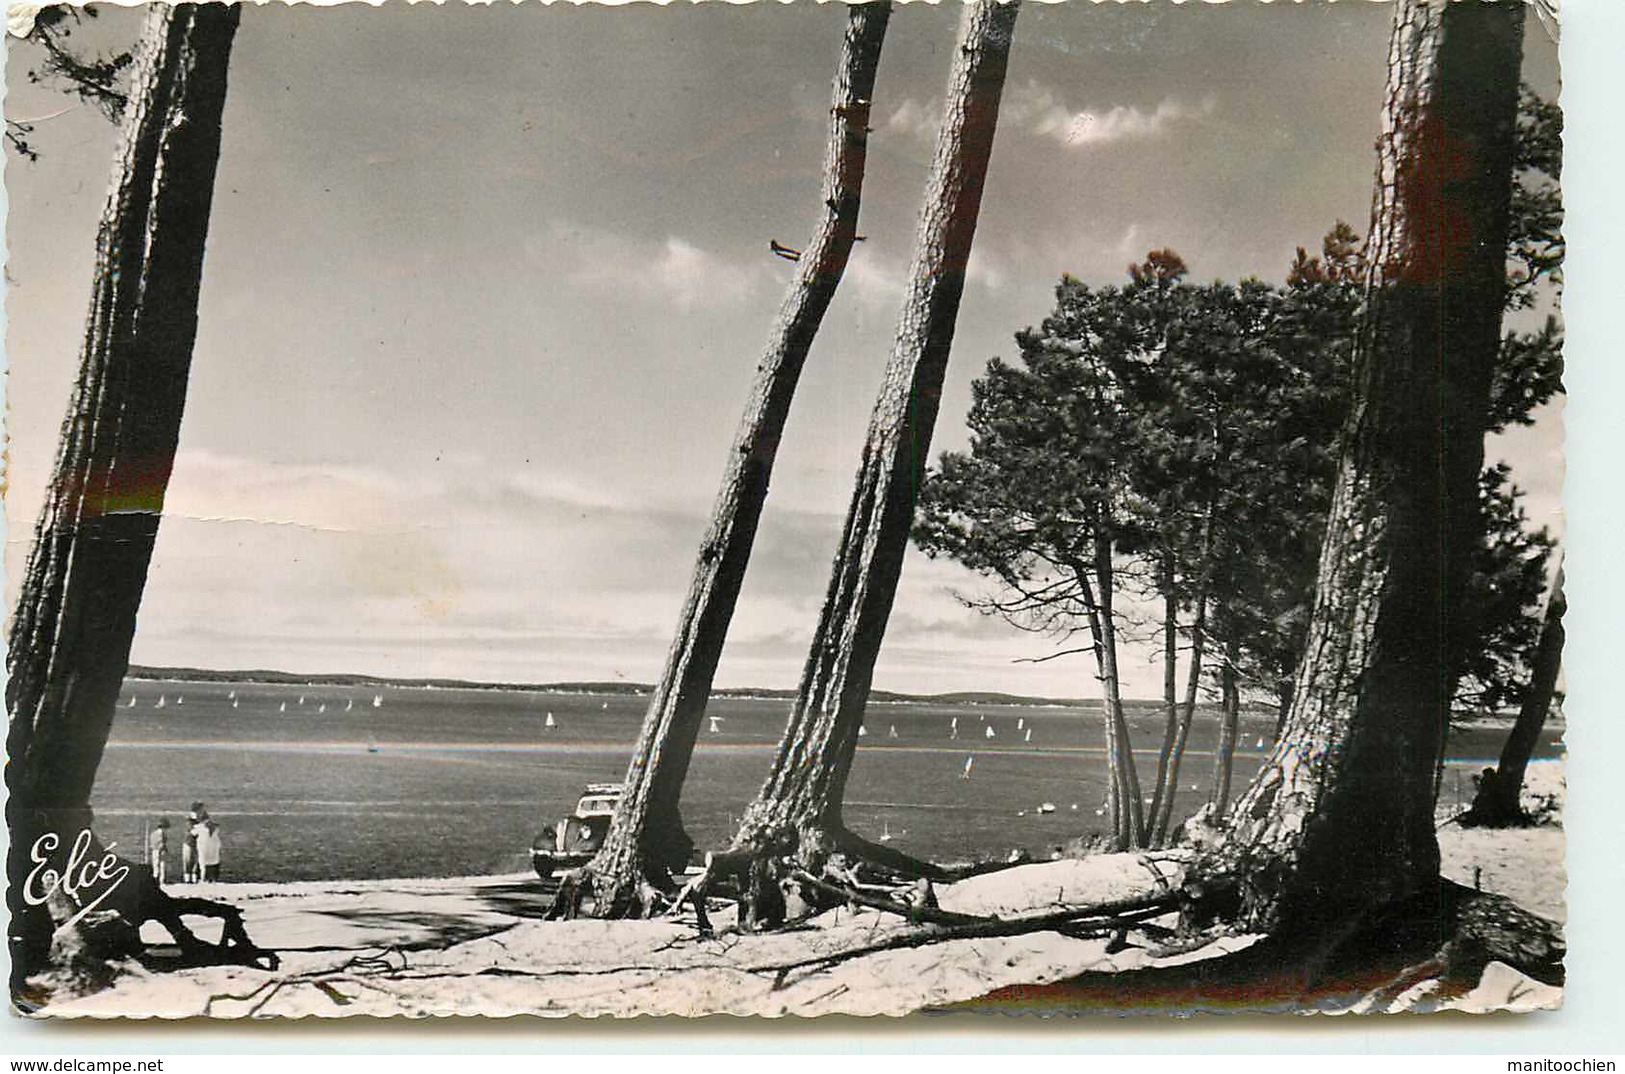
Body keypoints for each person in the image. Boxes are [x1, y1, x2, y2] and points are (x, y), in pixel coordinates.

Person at [184, 803, 209, 883]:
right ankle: (190, 878)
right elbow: (193, 832)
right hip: (190, 843)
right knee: (190, 861)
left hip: (193, 843)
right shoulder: (192, 820)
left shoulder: (194, 819)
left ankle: (190, 878)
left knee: (192, 862)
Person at [197, 818, 223, 882]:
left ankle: (207, 879)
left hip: (209, 853)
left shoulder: (214, 833)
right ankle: (205, 879)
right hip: (206, 853)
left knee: (207, 866)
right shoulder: (204, 832)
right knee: (206, 867)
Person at [148, 818, 170, 885]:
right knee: (162, 865)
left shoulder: (153, 834)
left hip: (155, 850)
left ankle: (155, 880)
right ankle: (162, 880)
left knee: (155, 866)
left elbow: (151, 843)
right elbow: (163, 842)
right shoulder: (162, 833)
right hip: (161, 850)